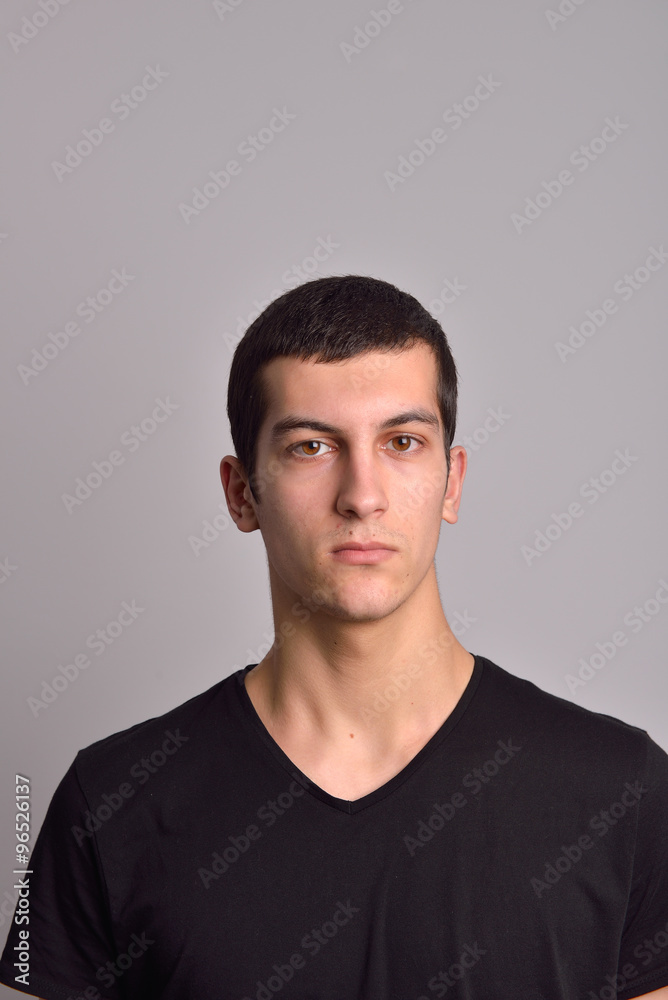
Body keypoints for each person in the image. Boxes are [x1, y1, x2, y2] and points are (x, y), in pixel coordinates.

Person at [1, 275, 667, 1000]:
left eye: (403, 442)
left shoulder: (621, 791)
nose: (362, 494)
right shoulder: (108, 805)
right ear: (240, 493)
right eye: (313, 446)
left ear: (452, 482)